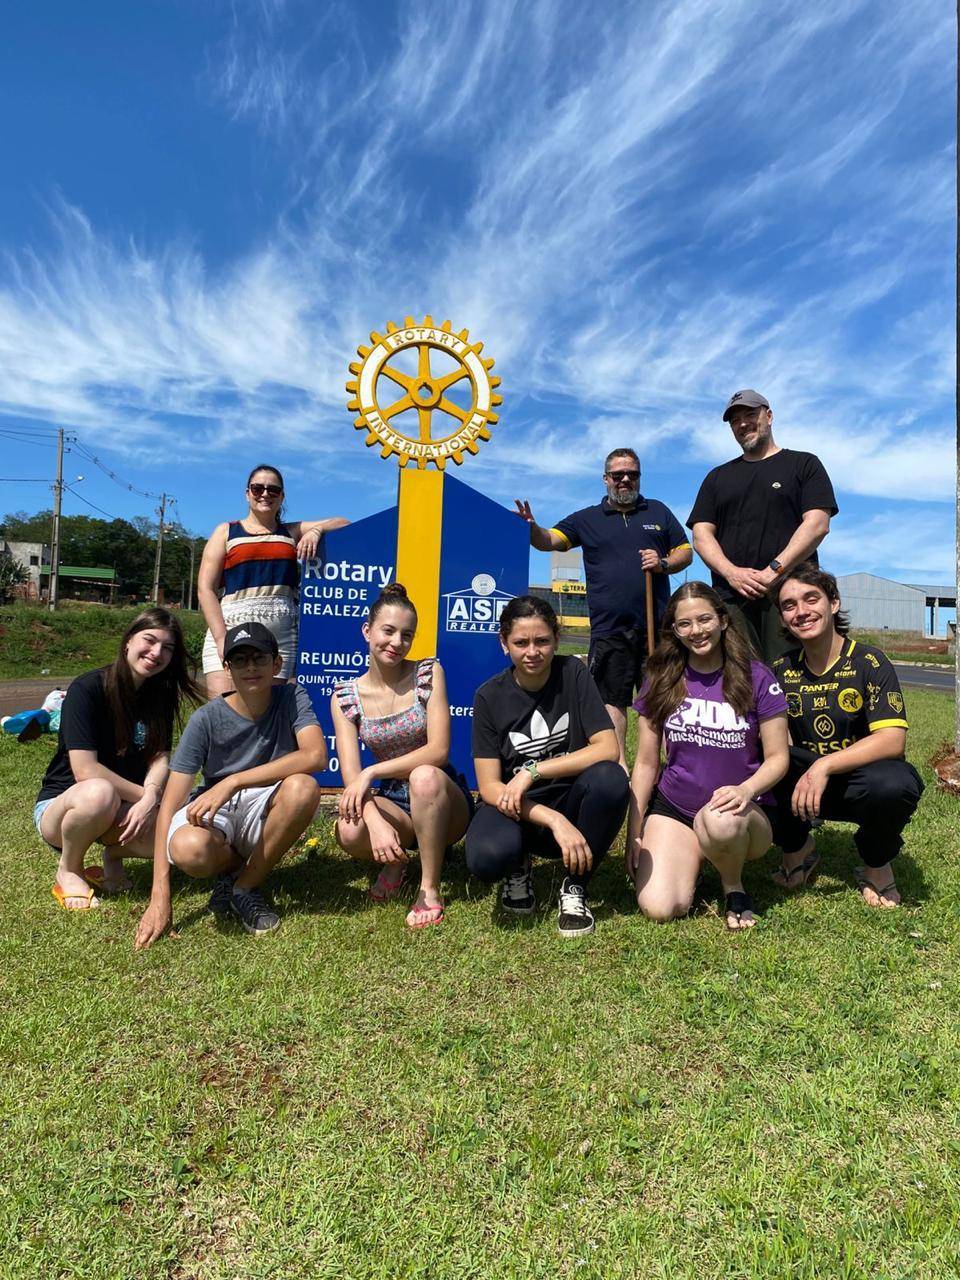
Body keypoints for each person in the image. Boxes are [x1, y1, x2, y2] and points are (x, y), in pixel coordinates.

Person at [134, 621, 326, 948]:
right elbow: (170, 804)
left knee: (303, 788)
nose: (250, 667)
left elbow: (316, 755)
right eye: (240, 660)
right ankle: (233, 868)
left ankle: (243, 887)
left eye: (260, 658)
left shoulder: (292, 696)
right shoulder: (206, 719)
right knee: (188, 849)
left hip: (264, 803)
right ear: (227, 668)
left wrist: (234, 781)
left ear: (277, 663)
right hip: (218, 809)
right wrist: (159, 896)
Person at [627, 582, 790, 930]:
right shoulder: (660, 678)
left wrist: (745, 790)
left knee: (718, 821)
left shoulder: (756, 676)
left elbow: (778, 758)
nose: (696, 631)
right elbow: (645, 763)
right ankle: (697, 856)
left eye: (704, 619)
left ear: (723, 620)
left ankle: (733, 886)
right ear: (673, 629)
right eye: (684, 624)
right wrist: (634, 831)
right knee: (660, 907)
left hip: (740, 814)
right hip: (676, 807)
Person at [466, 595, 629, 937]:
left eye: (542, 641)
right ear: (503, 643)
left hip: (569, 799)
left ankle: (575, 887)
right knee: (487, 858)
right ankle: (518, 863)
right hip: (516, 810)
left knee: (611, 780)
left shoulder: (574, 673)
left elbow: (608, 748)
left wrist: (533, 770)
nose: (532, 652)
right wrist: (554, 820)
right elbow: (490, 787)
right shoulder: (488, 696)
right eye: (520, 642)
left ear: (556, 639)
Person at [515, 448, 691, 766]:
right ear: (606, 478)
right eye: (618, 474)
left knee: (663, 696)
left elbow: (686, 551)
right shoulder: (587, 519)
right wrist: (531, 527)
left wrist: (663, 562)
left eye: (632, 474)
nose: (625, 480)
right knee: (612, 700)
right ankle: (619, 765)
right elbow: (547, 541)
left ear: (639, 477)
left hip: (656, 626)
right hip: (610, 628)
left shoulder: (658, 512)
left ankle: (671, 764)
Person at [769, 563, 924, 908]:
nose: (802, 611)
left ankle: (875, 862)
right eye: (789, 605)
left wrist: (824, 766)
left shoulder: (870, 660)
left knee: (896, 785)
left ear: (834, 603)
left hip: (860, 781)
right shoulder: (781, 668)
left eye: (811, 599)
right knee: (766, 764)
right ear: (781, 618)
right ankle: (797, 849)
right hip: (804, 787)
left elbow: (892, 740)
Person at [34, 609, 202, 910]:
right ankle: (70, 868)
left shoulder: (160, 693)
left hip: (122, 808)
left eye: (167, 648)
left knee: (177, 830)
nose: (156, 653)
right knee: (101, 791)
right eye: (149, 640)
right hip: (65, 808)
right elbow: (85, 770)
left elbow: (159, 756)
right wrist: (149, 797)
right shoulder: (88, 689)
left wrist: (152, 798)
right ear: (127, 641)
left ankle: (114, 855)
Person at [332, 583, 472, 929]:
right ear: (367, 631)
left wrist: (372, 771)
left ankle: (429, 888)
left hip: (441, 793)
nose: (396, 643)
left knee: (423, 776)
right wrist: (376, 822)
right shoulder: (345, 696)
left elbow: (438, 751)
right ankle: (397, 862)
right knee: (348, 831)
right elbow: (352, 775)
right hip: (394, 800)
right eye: (388, 631)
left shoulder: (428, 673)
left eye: (406, 635)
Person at [687, 390, 838, 663]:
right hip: (733, 598)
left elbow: (817, 524)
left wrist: (774, 570)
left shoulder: (804, 465)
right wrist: (732, 574)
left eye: (750, 415)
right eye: (735, 420)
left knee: (795, 672)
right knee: (742, 678)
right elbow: (701, 535)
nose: (742, 423)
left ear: (768, 416)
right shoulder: (717, 478)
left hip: (790, 593)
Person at [197, 463, 348, 695]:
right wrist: (221, 638)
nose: (265, 494)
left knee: (268, 719)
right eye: (258, 489)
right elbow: (205, 589)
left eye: (273, 490)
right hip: (229, 631)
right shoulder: (226, 532)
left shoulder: (291, 532)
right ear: (247, 494)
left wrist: (315, 531)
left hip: (280, 641)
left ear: (282, 496)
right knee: (223, 714)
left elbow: (343, 523)